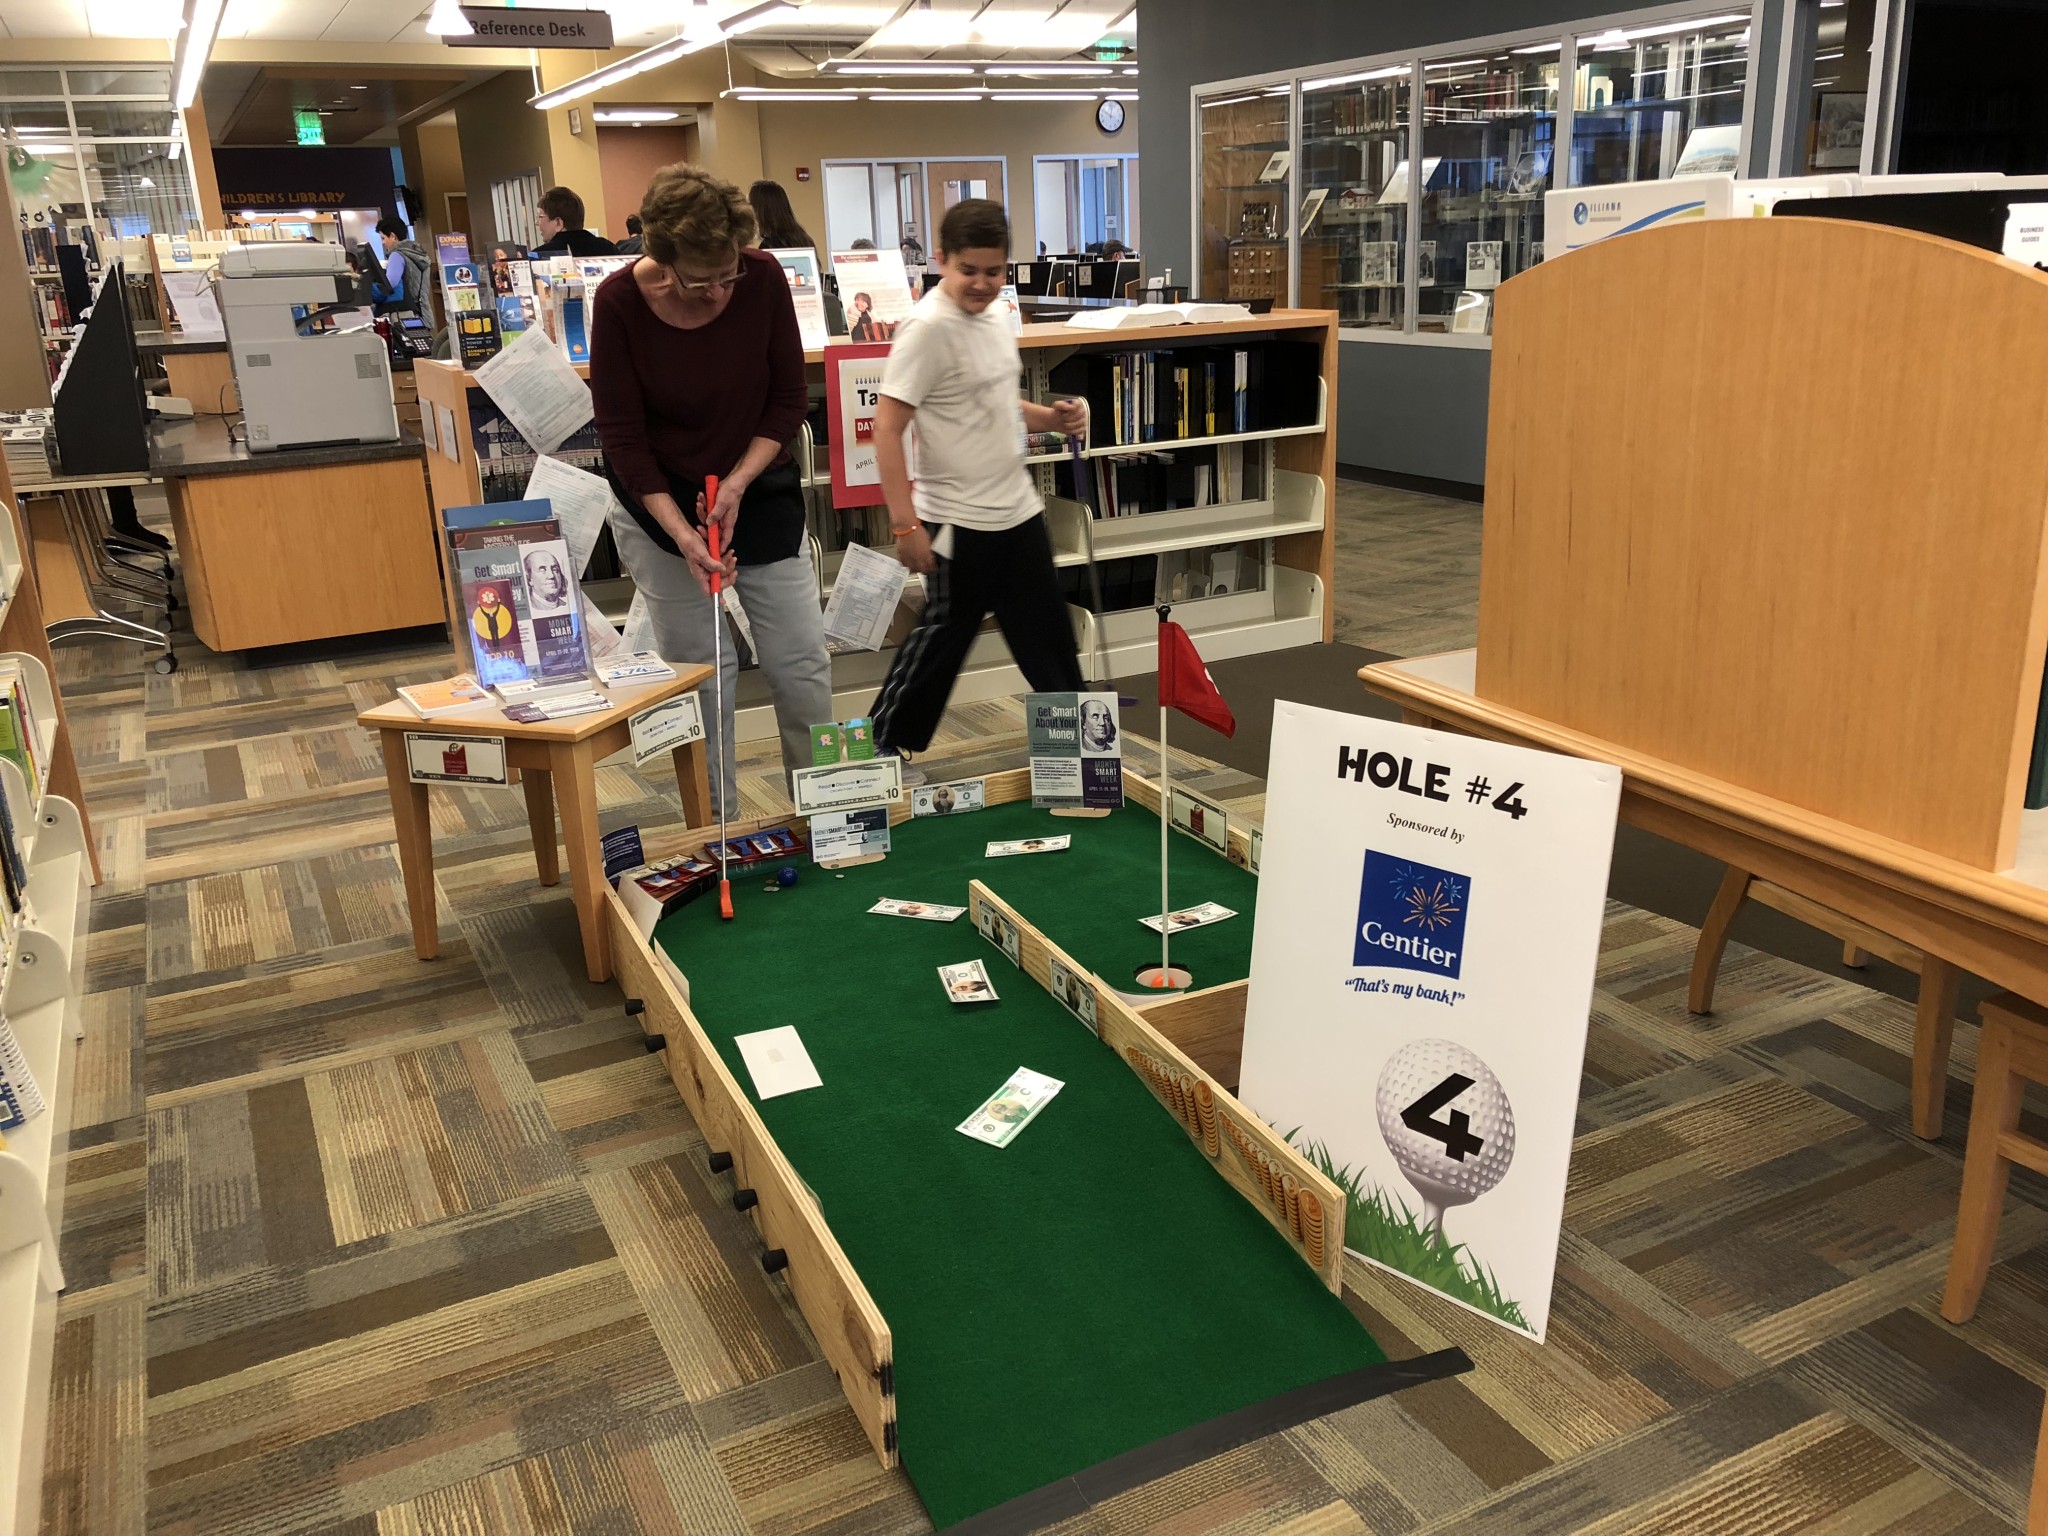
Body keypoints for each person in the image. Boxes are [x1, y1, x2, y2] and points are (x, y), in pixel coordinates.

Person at [589, 163, 831, 815]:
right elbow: (622, 438)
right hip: (659, 505)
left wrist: (740, 482)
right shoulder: (616, 305)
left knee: (801, 663)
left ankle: (828, 817)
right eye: (703, 281)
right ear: (661, 261)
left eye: (731, 274)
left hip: (756, 485)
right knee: (704, 678)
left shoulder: (764, 279)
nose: (722, 292)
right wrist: (682, 533)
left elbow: (786, 400)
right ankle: (716, 829)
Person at [868, 199, 1088, 768]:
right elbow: (888, 430)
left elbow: (992, 400)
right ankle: (882, 749)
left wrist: (1052, 418)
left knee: (1050, 640)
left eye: (994, 271)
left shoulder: (996, 315)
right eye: (969, 270)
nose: (982, 284)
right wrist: (905, 523)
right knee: (941, 644)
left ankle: (1077, 762)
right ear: (941, 261)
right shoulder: (926, 328)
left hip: (1017, 511)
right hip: (955, 521)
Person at [532, 186, 618, 256]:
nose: (536, 223)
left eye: (539, 217)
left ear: (558, 223)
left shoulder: (540, 256)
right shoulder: (609, 248)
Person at [376, 216, 430, 316]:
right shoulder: (418, 253)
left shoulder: (397, 255)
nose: (383, 243)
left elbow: (390, 284)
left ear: (393, 236)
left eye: (383, 238)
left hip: (405, 312)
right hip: (423, 310)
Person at [748, 180, 815, 251]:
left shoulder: (770, 246)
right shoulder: (804, 239)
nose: (746, 210)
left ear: (761, 210)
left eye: (749, 204)